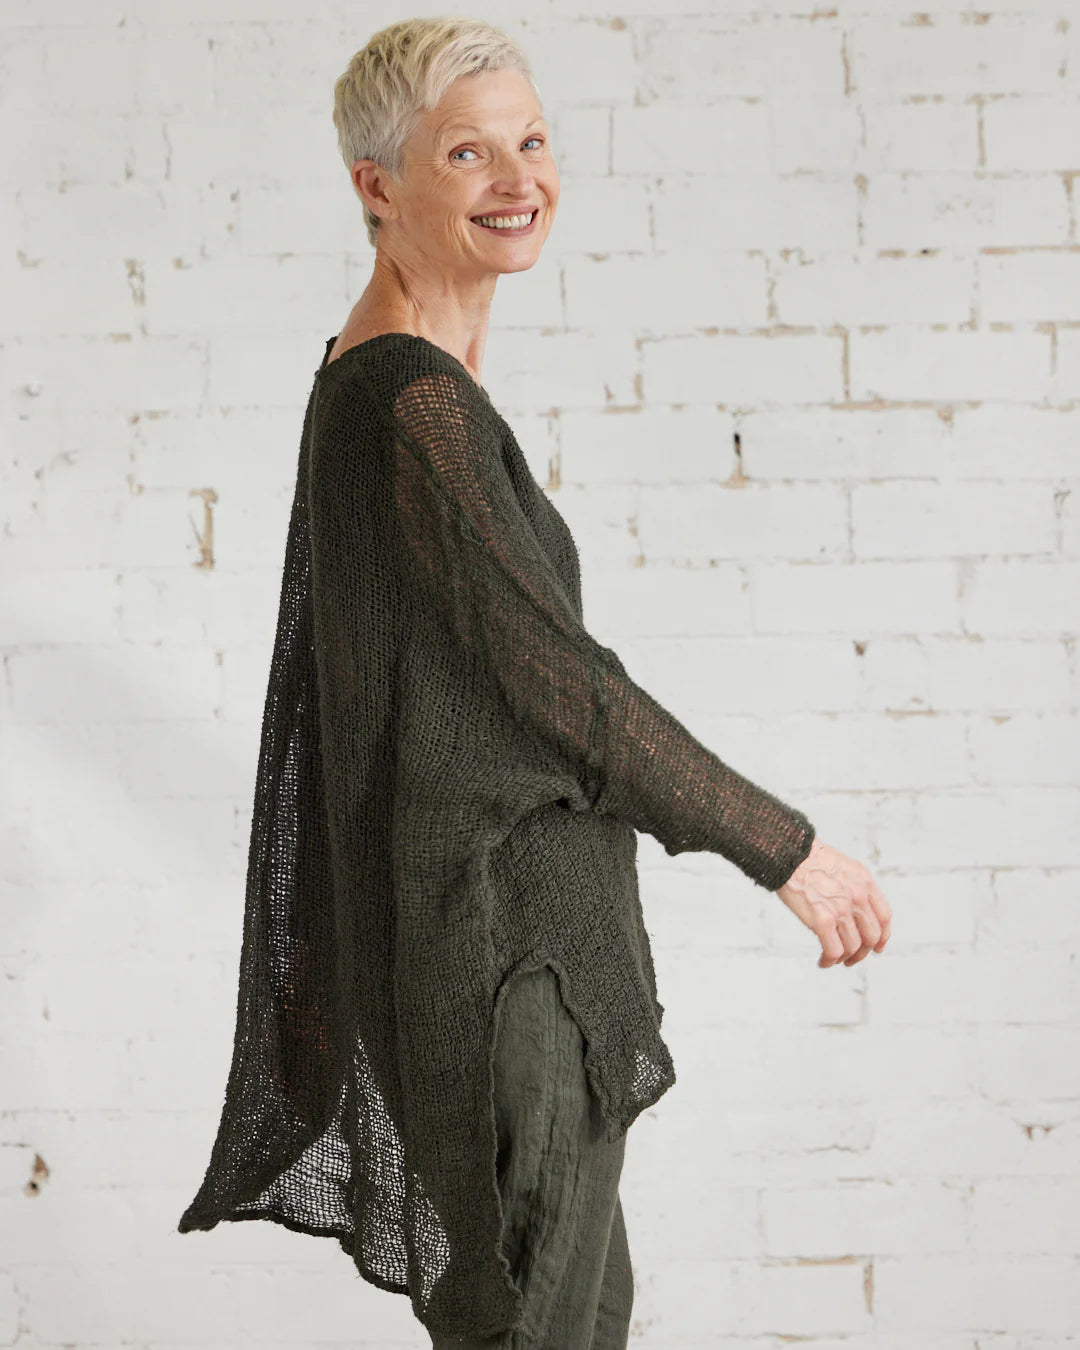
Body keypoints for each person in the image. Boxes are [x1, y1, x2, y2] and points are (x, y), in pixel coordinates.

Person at [177, 17, 892, 1349]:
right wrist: (786, 850)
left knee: (574, 1316)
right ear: (379, 186)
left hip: (514, 963)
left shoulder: (399, 387)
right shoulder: (408, 405)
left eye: (534, 140)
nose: (519, 178)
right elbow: (566, 688)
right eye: (468, 151)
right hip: (511, 968)